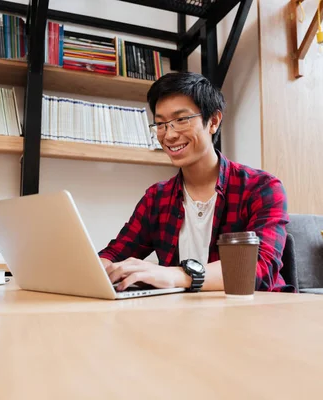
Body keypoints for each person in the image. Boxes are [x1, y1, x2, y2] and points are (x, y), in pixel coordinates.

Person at [99, 72, 294, 293]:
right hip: (186, 316)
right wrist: (100, 268)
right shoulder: (157, 197)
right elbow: (115, 253)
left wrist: (177, 275)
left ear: (213, 121)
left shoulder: (262, 188)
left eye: (181, 120)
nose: (169, 135)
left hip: (253, 315)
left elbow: (260, 270)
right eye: (161, 124)